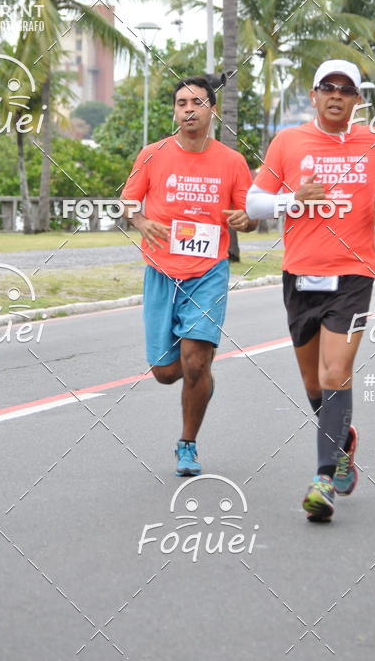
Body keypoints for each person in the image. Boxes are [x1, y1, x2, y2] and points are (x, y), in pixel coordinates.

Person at [246, 59, 375, 521]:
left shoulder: (373, 143)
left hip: (353, 274)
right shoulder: (288, 141)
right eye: (327, 87)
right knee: (314, 383)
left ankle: (323, 478)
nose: (336, 95)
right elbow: (254, 202)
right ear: (313, 95)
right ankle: (344, 438)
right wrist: (294, 199)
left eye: (346, 89)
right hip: (300, 275)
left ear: (356, 99)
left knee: (336, 373)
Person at [121, 76, 256, 477]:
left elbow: (247, 217)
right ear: (175, 111)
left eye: (197, 102)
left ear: (211, 110)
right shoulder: (153, 154)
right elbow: (129, 201)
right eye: (181, 103)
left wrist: (244, 221)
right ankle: (197, 375)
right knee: (165, 372)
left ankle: (187, 444)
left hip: (208, 271)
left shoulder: (231, 162)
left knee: (195, 363)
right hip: (161, 270)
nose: (188, 110)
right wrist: (141, 221)